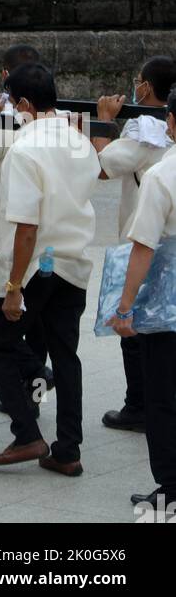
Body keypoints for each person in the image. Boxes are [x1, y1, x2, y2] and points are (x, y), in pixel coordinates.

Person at [0, 63, 99, 475]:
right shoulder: (79, 140)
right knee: (66, 355)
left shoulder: (24, 149)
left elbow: (26, 227)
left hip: (35, 268)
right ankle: (68, 449)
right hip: (74, 261)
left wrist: (14, 286)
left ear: (25, 104)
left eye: (10, 101)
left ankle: (27, 432)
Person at [93, 55, 176, 432]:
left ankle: (139, 405)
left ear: (146, 87)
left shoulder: (143, 130)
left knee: (137, 327)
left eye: (138, 80)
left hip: (148, 240)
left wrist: (105, 121)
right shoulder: (161, 133)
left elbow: (100, 165)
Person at [0, 46, 53, 417]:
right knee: (35, 324)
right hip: (50, 242)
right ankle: (33, 397)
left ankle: (34, 374)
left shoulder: (3, 124)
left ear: (6, 79)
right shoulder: (63, 123)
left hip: (3, 236)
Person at [108, 85, 176, 513]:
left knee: (163, 396)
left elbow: (144, 246)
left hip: (167, 303)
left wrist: (124, 305)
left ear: (171, 122)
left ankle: (170, 487)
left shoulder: (162, 176)